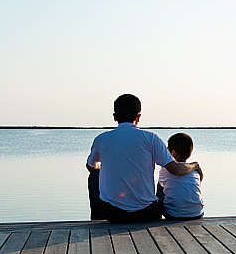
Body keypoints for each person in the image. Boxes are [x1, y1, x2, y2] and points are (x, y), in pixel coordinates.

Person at [86, 94, 202, 223]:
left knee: (95, 175)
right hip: (147, 213)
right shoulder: (151, 138)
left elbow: (90, 166)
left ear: (114, 117)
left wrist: (102, 167)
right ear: (138, 117)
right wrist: (194, 166)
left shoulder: (101, 139)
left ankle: (97, 220)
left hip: (112, 214)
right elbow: (175, 169)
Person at [157, 133, 204, 220]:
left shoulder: (165, 169)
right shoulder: (195, 170)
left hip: (173, 215)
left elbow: (160, 187)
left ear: (173, 153)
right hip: (197, 214)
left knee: (159, 192)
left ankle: (157, 218)